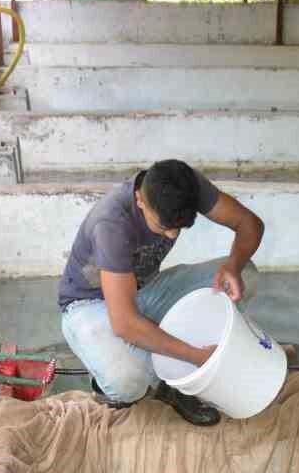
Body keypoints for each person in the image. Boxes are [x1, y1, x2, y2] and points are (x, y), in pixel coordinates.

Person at [59, 158, 265, 427]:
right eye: (163, 226)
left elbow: (250, 223)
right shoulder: (111, 223)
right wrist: (194, 356)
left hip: (144, 290)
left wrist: (233, 265)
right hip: (89, 305)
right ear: (140, 200)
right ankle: (143, 379)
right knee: (128, 380)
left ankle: (161, 354)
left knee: (245, 277)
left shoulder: (183, 184)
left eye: (179, 227)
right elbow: (124, 323)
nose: (171, 235)